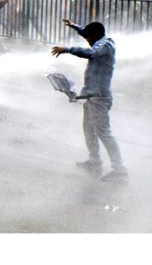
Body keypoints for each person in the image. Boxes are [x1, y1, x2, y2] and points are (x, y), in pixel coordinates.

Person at [51, 19, 128, 182]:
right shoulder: (99, 39)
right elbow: (89, 36)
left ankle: (120, 170)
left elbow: (91, 52)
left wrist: (68, 49)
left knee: (104, 133)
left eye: (88, 37)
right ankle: (94, 160)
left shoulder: (104, 46)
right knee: (88, 129)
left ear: (94, 36)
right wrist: (76, 27)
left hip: (100, 98)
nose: (86, 40)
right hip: (92, 95)